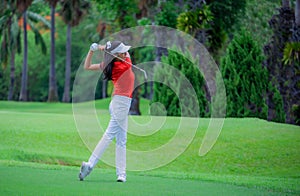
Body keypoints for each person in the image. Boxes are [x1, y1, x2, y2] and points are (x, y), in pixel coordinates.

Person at [79, 41, 134, 182]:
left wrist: (94, 50)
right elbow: (127, 55)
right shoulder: (123, 64)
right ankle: (90, 164)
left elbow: (88, 66)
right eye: (120, 52)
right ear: (115, 55)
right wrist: (103, 48)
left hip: (118, 103)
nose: (124, 53)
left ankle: (121, 174)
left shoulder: (109, 64)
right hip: (120, 105)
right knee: (109, 136)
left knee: (122, 140)